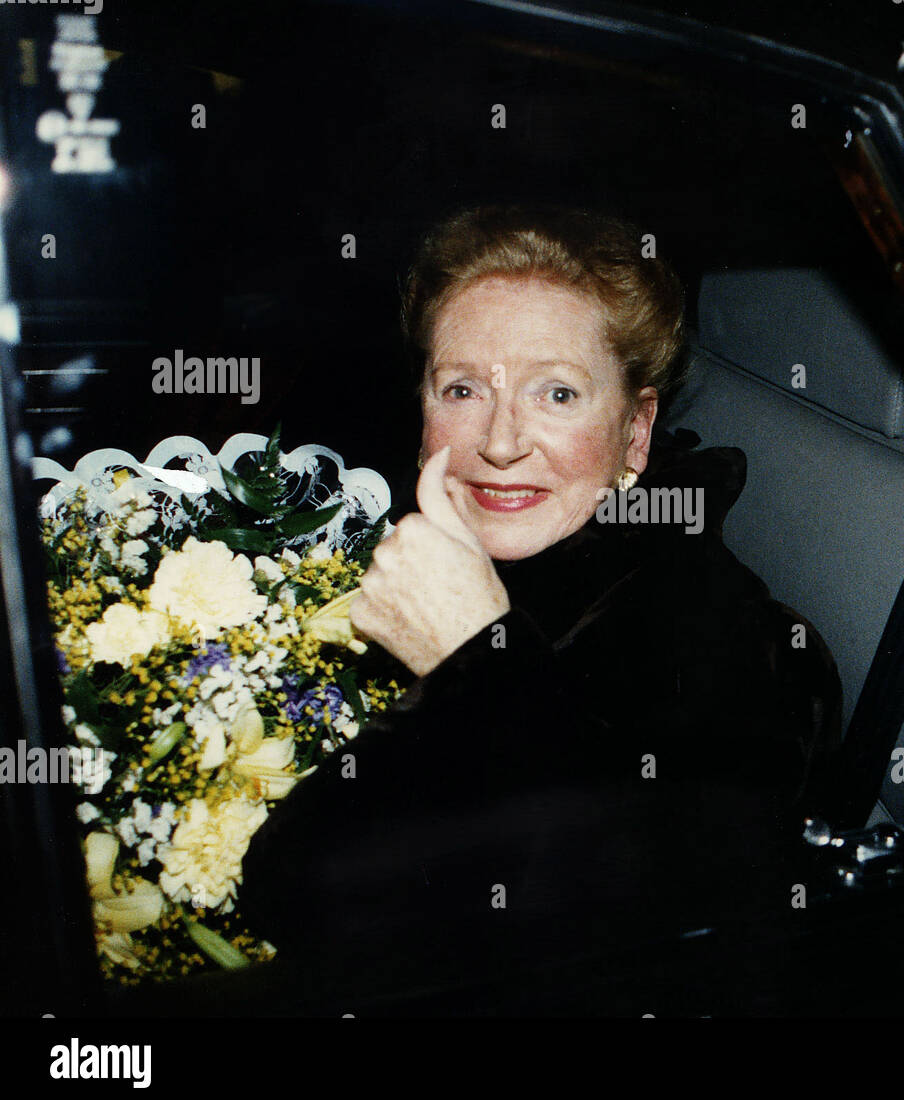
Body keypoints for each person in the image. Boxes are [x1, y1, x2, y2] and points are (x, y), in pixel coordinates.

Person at [239, 204, 843, 994]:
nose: (497, 441)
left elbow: (656, 946)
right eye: (460, 389)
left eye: (556, 394)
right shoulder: (431, 558)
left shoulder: (719, 635)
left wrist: (468, 662)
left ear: (635, 433)